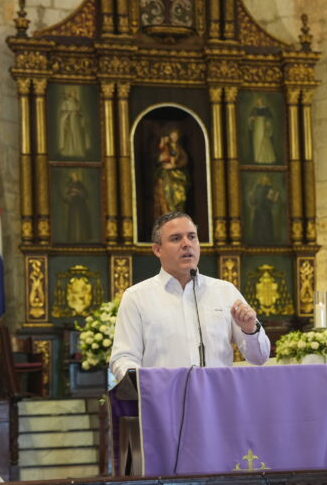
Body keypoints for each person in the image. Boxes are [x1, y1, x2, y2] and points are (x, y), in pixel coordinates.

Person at [110, 212, 270, 381]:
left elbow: (259, 358)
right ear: (157, 249)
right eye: (176, 238)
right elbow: (123, 358)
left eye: (192, 237)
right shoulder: (136, 297)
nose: (187, 244)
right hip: (164, 402)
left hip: (218, 401)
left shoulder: (225, 292)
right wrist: (147, 385)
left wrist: (250, 330)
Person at [153, 128, 190, 218]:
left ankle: (176, 215)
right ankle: (167, 215)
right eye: (172, 135)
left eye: (175, 136)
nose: (174, 138)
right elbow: (159, 158)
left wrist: (174, 166)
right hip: (166, 176)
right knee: (166, 195)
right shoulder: (166, 147)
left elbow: (184, 160)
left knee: (178, 197)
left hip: (177, 177)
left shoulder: (179, 149)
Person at [247, 97, 276, 164]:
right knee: (257, 141)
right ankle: (257, 159)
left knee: (264, 140)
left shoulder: (266, 108)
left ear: (262, 102)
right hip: (256, 126)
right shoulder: (254, 109)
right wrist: (251, 119)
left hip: (263, 125)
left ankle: (264, 159)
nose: (258, 102)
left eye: (259, 101)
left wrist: (268, 122)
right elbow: (250, 118)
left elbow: (270, 118)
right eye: (257, 101)